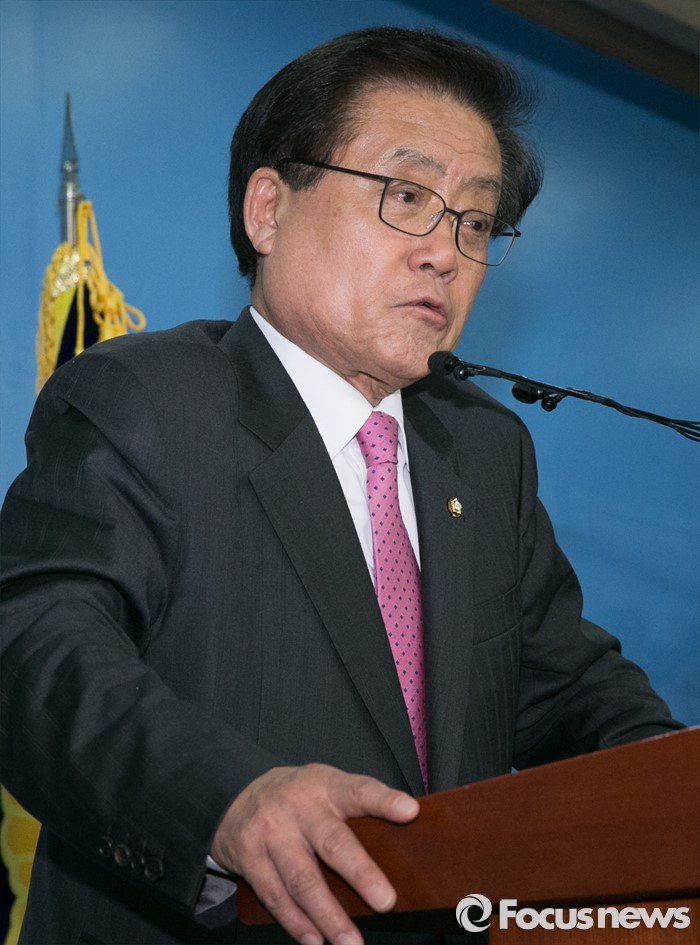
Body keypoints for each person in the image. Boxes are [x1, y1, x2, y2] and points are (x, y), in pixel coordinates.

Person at [0, 25, 682, 945]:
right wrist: (226, 798)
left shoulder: (485, 450)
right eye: (407, 197)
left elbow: (569, 691)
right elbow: (36, 645)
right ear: (269, 209)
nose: (446, 253)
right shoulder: (150, 399)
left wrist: (673, 779)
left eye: (475, 222)